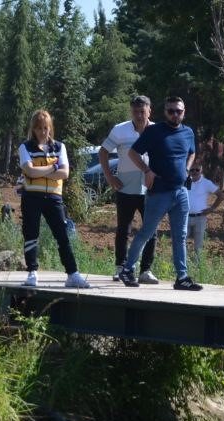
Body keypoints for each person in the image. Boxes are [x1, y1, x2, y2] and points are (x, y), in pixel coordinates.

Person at [117, 96, 202, 291]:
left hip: (181, 192)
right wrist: (147, 171)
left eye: (178, 111)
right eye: (171, 111)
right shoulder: (154, 131)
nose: (174, 114)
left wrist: (187, 169)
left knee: (180, 236)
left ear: (184, 112)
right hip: (159, 193)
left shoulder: (188, 132)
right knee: (146, 232)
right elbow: (133, 153)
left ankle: (182, 277)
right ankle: (128, 269)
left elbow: (192, 152)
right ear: (165, 112)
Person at [18, 109, 91, 289]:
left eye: (46, 128)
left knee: (62, 235)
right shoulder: (25, 147)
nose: (43, 132)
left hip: (53, 197)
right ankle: (32, 272)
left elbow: (64, 173)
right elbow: (29, 170)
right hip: (31, 197)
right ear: (33, 129)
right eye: (39, 128)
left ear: (50, 128)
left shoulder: (59, 147)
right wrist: (53, 168)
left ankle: (72, 274)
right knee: (31, 234)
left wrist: (42, 171)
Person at [101, 95, 159, 283]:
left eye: (143, 111)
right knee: (123, 229)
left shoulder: (158, 130)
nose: (139, 115)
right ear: (131, 112)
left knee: (151, 229)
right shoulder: (120, 129)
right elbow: (103, 152)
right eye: (135, 112)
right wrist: (110, 176)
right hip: (125, 187)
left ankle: (145, 270)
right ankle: (121, 267)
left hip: (150, 189)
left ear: (150, 110)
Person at [186, 163, 224, 260]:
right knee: (181, 242)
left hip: (200, 217)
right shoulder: (185, 181)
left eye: (197, 170)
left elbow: (221, 195)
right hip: (185, 217)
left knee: (198, 245)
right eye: (192, 170)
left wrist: (212, 208)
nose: (194, 172)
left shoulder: (206, 183)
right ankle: (182, 265)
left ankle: (198, 267)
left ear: (201, 170)